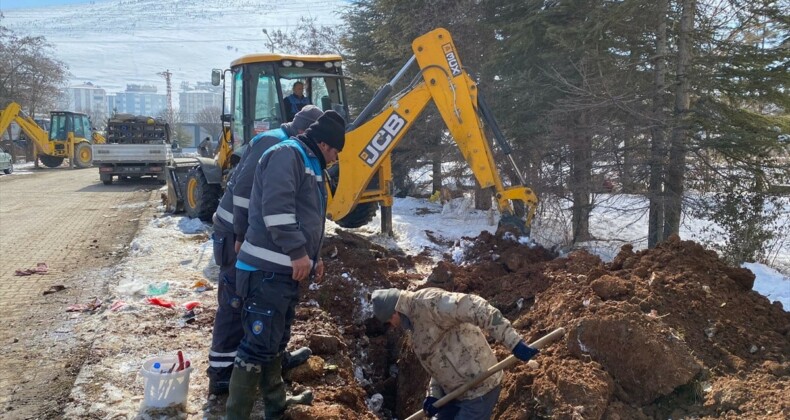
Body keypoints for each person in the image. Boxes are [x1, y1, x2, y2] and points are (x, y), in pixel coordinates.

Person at [226, 110, 346, 419]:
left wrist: (313, 257)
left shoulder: (308, 162)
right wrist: (297, 252)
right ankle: (235, 414)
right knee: (256, 345)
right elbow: (277, 211)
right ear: (322, 143)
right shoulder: (287, 155)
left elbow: (306, 215)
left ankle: (276, 404)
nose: (333, 159)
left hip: (281, 272)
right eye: (334, 151)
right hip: (265, 271)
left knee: (274, 341)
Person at [207, 105, 323, 397]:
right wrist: (241, 235)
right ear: (304, 131)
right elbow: (245, 193)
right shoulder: (273, 144)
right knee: (236, 300)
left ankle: (270, 358)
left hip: (251, 232)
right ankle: (221, 373)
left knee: (264, 307)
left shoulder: (292, 148)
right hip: (236, 232)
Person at [371, 288, 539, 419]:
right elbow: (438, 361)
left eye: (389, 321)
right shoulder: (413, 325)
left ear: (394, 312)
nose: (392, 326)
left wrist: (513, 341)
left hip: (479, 387)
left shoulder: (429, 303)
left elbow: (475, 305)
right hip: (454, 394)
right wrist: (434, 394)